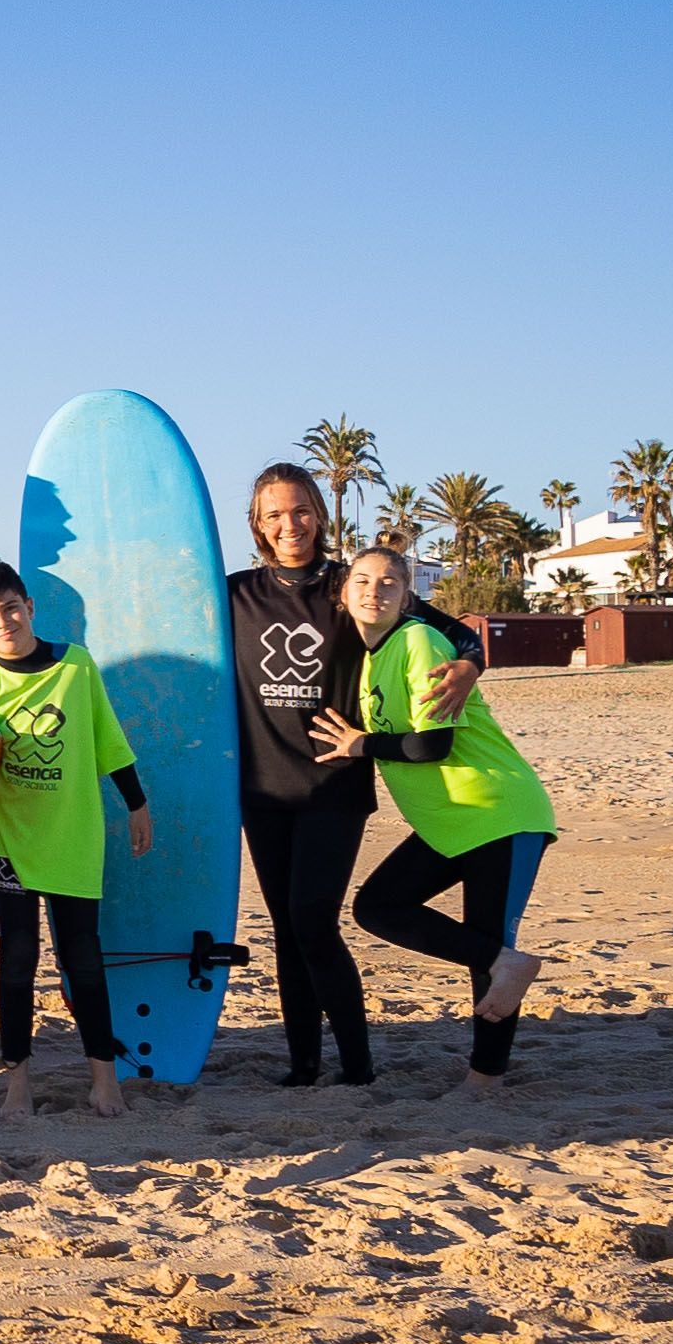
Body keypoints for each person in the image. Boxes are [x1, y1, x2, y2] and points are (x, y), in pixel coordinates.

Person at [225, 464, 484, 1087]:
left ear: (320, 512)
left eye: (301, 510)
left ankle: (358, 1065)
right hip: (262, 791)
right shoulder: (233, 594)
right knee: (288, 929)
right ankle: (303, 1063)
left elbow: (448, 629)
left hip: (332, 789)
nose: (291, 525)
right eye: (275, 515)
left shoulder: (353, 585)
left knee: (314, 919)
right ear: (258, 525)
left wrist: (471, 664)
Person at [311, 548, 556, 1091]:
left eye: (391, 582)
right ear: (344, 593)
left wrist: (360, 746)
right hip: (451, 821)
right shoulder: (372, 657)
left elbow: (431, 745)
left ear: (408, 596)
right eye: (364, 580)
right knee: (378, 907)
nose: (375, 590)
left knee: (492, 950)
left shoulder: (418, 641)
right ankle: (505, 969)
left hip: (497, 811)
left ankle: (484, 1079)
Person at [0, 563, 154, 1120]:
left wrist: (137, 802)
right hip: (13, 841)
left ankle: (105, 1081)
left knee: (84, 957)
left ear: (28, 605)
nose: (2, 622)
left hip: (73, 833)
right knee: (19, 957)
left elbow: (108, 740)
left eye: (9, 608)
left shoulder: (76, 666)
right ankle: (17, 1084)